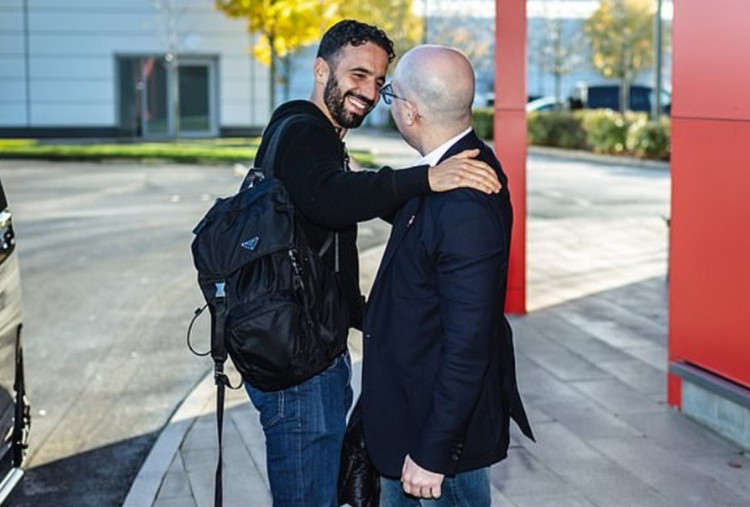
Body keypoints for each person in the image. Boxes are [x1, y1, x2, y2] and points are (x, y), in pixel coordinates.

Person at [246, 21, 501, 507]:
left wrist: (372, 317)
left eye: (379, 81)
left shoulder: (313, 135)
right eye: (357, 74)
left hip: (308, 349)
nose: (368, 91)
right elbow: (329, 198)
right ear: (322, 70)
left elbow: (328, 238)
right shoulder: (304, 130)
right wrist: (425, 178)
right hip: (297, 365)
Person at [361, 45, 535, 506]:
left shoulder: (465, 199)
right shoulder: (449, 169)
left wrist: (432, 454)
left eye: (390, 96)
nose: (389, 104)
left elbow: (469, 342)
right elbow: (416, 227)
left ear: (411, 112)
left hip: (434, 450)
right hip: (413, 426)